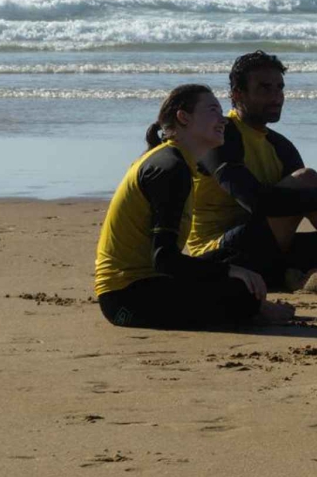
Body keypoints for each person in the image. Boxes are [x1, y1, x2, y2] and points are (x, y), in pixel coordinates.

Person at [93, 84, 296, 329]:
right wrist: (230, 272)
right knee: (239, 292)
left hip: (149, 282)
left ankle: (253, 307)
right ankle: (256, 311)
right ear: (183, 117)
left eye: (221, 111)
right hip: (125, 298)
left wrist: (232, 269)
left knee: (239, 264)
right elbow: (164, 260)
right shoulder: (170, 168)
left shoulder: (177, 161)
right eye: (212, 110)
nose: (222, 119)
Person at [186, 51, 317, 293]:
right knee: (306, 179)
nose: (276, 97)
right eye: (265, 88)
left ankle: (315, 278)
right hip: (221, 257)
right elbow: (257, 202)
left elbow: (315, 211)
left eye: (279, 88)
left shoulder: (280, 146)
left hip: (275, 255)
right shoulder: (221, 135)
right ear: (236, 94)